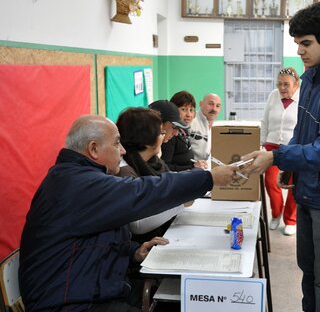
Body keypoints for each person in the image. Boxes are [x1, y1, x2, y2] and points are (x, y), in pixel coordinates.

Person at [19, 115, 237, 312]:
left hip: (84, 287)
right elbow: (144, 191)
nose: (122, 150)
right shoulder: (78, 184)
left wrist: (133, 251)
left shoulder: (75, 178)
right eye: (116, 143)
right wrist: (208, 178)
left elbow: (89, 240)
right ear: (94, 149)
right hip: (68, 303)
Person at [242, 3, 320, 312]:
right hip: (307, 188)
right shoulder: (310, 77)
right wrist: (290, 166)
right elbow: (303, 129)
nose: (299, 50)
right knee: (308, 269)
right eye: (297, 42)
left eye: (306, 43)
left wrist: (276, 157)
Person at [116, 107, 183, 243]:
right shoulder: (125, 172)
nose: (163, 137)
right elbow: (137, 225)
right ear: (147, 140)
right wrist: (182, 199)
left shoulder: (153, 161)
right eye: (160, 133)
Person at [260, 67, 300, 236]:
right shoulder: (273, 96)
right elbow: (265, 120)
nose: (282, 88)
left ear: (296, 85)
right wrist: (262, 142)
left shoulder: (303, 98)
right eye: (279, 84)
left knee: (292, 184)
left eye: (286, 84)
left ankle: (291, 220)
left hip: (292, 147)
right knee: (270, 182)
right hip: (272, 146)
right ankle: (276, 213)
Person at [161, 91, 208, 171]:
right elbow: (165, 167)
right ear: (174, 110)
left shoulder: (183, 130)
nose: (189, 115)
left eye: (191, 110)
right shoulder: (170, 136)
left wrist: (195, 164)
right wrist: (192, 167)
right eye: (184, 109)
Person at [189, 93, 222, 160]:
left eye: (217, 106)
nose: (214, 109)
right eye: (210, 104)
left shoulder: (218, 128)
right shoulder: (190, 120)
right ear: (201, 104)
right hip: (191, 167)